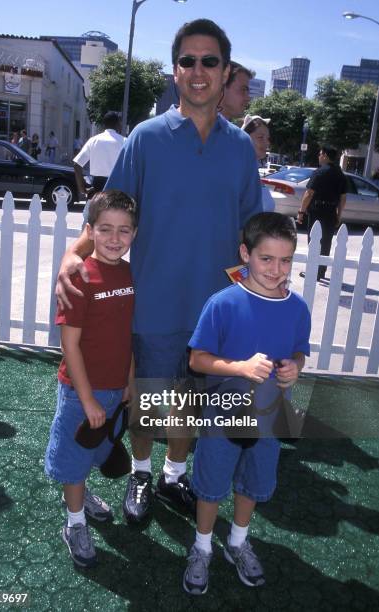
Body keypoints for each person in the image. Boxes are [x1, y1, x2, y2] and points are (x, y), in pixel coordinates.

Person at [56, 18, 262, 524]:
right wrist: (70, 256)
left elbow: (253, 235)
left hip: (213, 315)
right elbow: (108, 217)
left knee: (187, 407)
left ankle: (173, 475)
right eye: (188, 61)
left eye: (209, 61)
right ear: (175, 70)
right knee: (148, 404)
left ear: (224, 70)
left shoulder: (240, 149)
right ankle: (142, 474)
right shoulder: (145, 139)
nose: (198, 71)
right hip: (152, 305)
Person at [183, 212, 311, 595]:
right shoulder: (222, 303)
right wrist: (239, 366)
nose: (276, 269)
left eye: (285, 260)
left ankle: (237, 541)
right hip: (222, 419)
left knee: (253, 484)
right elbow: (196, 359)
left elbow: (299, 352)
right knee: (210, 485)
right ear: (245, 254)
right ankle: (202, 546)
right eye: (266, 258)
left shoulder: (298, 307)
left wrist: (295, 369)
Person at [45, 190, 137, 568]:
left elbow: (129, 333)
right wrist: (86, 399)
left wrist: (130, 380)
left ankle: (81, 497)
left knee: (92, 453)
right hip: (80, 392)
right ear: (89, 231)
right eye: (105, 229)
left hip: (116, 388)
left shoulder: (130, 273)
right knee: (73, 458)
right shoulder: (79, 276)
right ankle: (75, 520)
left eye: (124, 230)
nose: (115, 239)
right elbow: (70, 344)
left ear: (134, 233)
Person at [297, 145, 347, 281]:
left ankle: (313, 272)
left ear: (325, 155)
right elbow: (343, 198)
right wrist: (339, 215)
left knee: (314, 241)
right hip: (331, 211)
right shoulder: (340, 174)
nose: (319, 157)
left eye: (320, 154)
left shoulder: (320, 172)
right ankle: (321, 271)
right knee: (326, 242)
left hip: (317, 211)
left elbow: (309, 193)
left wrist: (301, 212)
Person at [73, 111, 125, 199]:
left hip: (96, 190)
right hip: (117, 192)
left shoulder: (93, 140)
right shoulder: (125, 142)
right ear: (117, 124)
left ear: (104, 125)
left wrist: (82, 188)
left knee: (93, 212)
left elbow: (77, 164)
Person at [242, 114, 275, 212]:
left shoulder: (253, 172)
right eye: (261, 137)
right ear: (244, 137)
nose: (267, 142)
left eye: (267, 138)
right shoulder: (237, 173)